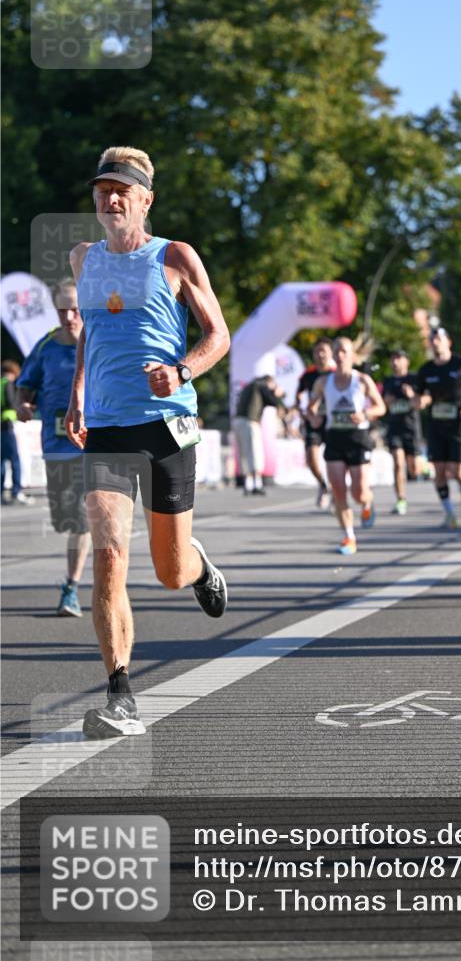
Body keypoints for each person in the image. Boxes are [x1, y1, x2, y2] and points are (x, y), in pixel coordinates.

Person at [66, 145, 230, 739]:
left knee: (166, 569)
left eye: (122, 190)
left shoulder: (176, 257)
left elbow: (219, 336)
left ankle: (197, 564)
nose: (110, 199)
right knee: (108, 557)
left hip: (166, 423)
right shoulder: (83, 259)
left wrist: (183, 370)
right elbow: (89, 333)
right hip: (107, 425)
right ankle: (121, 696)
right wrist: (77, 392)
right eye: (102, 189)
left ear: (145, 200)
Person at [16, 279, 91, 616]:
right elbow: (24, 387)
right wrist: (23, 406)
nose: (69, 316)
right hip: (56, 445)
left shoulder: (100, 343)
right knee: (65, 519)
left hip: (95, 447)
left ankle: (71, 588)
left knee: (82, 519)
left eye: (75, 309)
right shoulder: (46, 346)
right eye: (62, 310)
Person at [308, 336, 386, 555]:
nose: (340, 355)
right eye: (337, 351)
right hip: (334, 438)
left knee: (359, 492)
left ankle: (367, 504)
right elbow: (311, 406)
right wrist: (313, 415)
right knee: (339, 492)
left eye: (344, 351)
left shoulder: (362, 381)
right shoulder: (323, 382)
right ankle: (349, 537)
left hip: (358, 439)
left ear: (352, 355)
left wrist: (365, 413)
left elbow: (381, 408)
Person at [416, 328, 461, 529]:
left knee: (457, 469)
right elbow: (420, 395)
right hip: (436, 426)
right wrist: (421, 400)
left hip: (459, 424)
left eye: (439, 339)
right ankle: (450, 513)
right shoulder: (425, 370)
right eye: (432, 339)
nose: (435, 343)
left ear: (448, 342)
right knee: (439, 471)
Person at [296, 337, 335, 508]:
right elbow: (298, 398)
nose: (320, 355)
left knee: (333, 461)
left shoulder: (336, 373)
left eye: (324, 351)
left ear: (330, 353)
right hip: (314, 420)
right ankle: (323, 484)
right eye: (317, 351)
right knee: (311, 458)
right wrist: (308, 416)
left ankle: (336, 493)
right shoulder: (308, 374)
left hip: (333, 421)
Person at [382, 349, 421, 515]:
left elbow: (421, 401)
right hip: (394, 429)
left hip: (411, 429)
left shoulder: (414, 379)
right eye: (393, 358)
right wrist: (387, 401)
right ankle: (401, 500)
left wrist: (411, 395)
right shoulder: (387, 381)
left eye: (399, 358)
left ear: (407, 361)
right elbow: (382, 404)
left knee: (414, 471)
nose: (395, 362)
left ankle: (425, 467)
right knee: (398, 464)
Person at [233, 375, 285, 495]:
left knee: (244, 453)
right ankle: (257, 484)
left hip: (238, 421)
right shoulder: (261, 385)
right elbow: (272, 400)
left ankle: (247, 484)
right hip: (250, 421)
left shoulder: (248, 386)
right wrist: (278, 395)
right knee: (255, 452)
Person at [1, 360, 32, 506]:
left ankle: (1, 492)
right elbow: (10, 401)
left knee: (1, 462)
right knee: (14, 460)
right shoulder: (7, 383)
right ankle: (16, 491)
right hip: (6, 425)